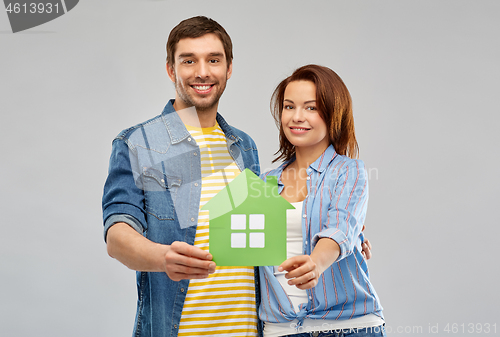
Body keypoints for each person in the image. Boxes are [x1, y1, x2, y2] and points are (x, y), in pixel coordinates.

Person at [102, 16, 261, 336]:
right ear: (171, 70)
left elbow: (259, 237)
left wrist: (333, 229)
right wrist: (164, 257)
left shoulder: (244, 147)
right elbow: (118, 235)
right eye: (189, 60)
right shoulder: (137, 143)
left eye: (213, 60)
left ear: (229, 68)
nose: (202, 71)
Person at [258, 65, 385, 337]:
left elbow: (340, 229)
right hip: (281, 330)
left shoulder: (349, 172)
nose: (297, 117)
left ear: (332, 114)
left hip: (347, 328)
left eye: (311, 108)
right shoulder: (262, 183)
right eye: (289, 106)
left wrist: (317, 262)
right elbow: (237, 246)